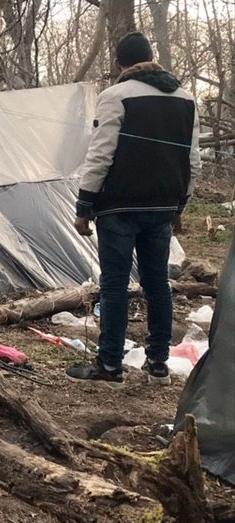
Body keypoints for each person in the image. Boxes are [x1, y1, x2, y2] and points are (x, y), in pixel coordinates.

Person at [68, 31, 201, 384]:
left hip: (119, 207)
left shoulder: (116, 96)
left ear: (118, 63)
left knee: (114, 285)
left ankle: (109, 364)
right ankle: (157, 362)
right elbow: (193, 161)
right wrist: (179, 207)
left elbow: (101, 154)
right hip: (161, 206)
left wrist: (84, 204)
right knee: (157, 283)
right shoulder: (186, 98)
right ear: (152, 55)